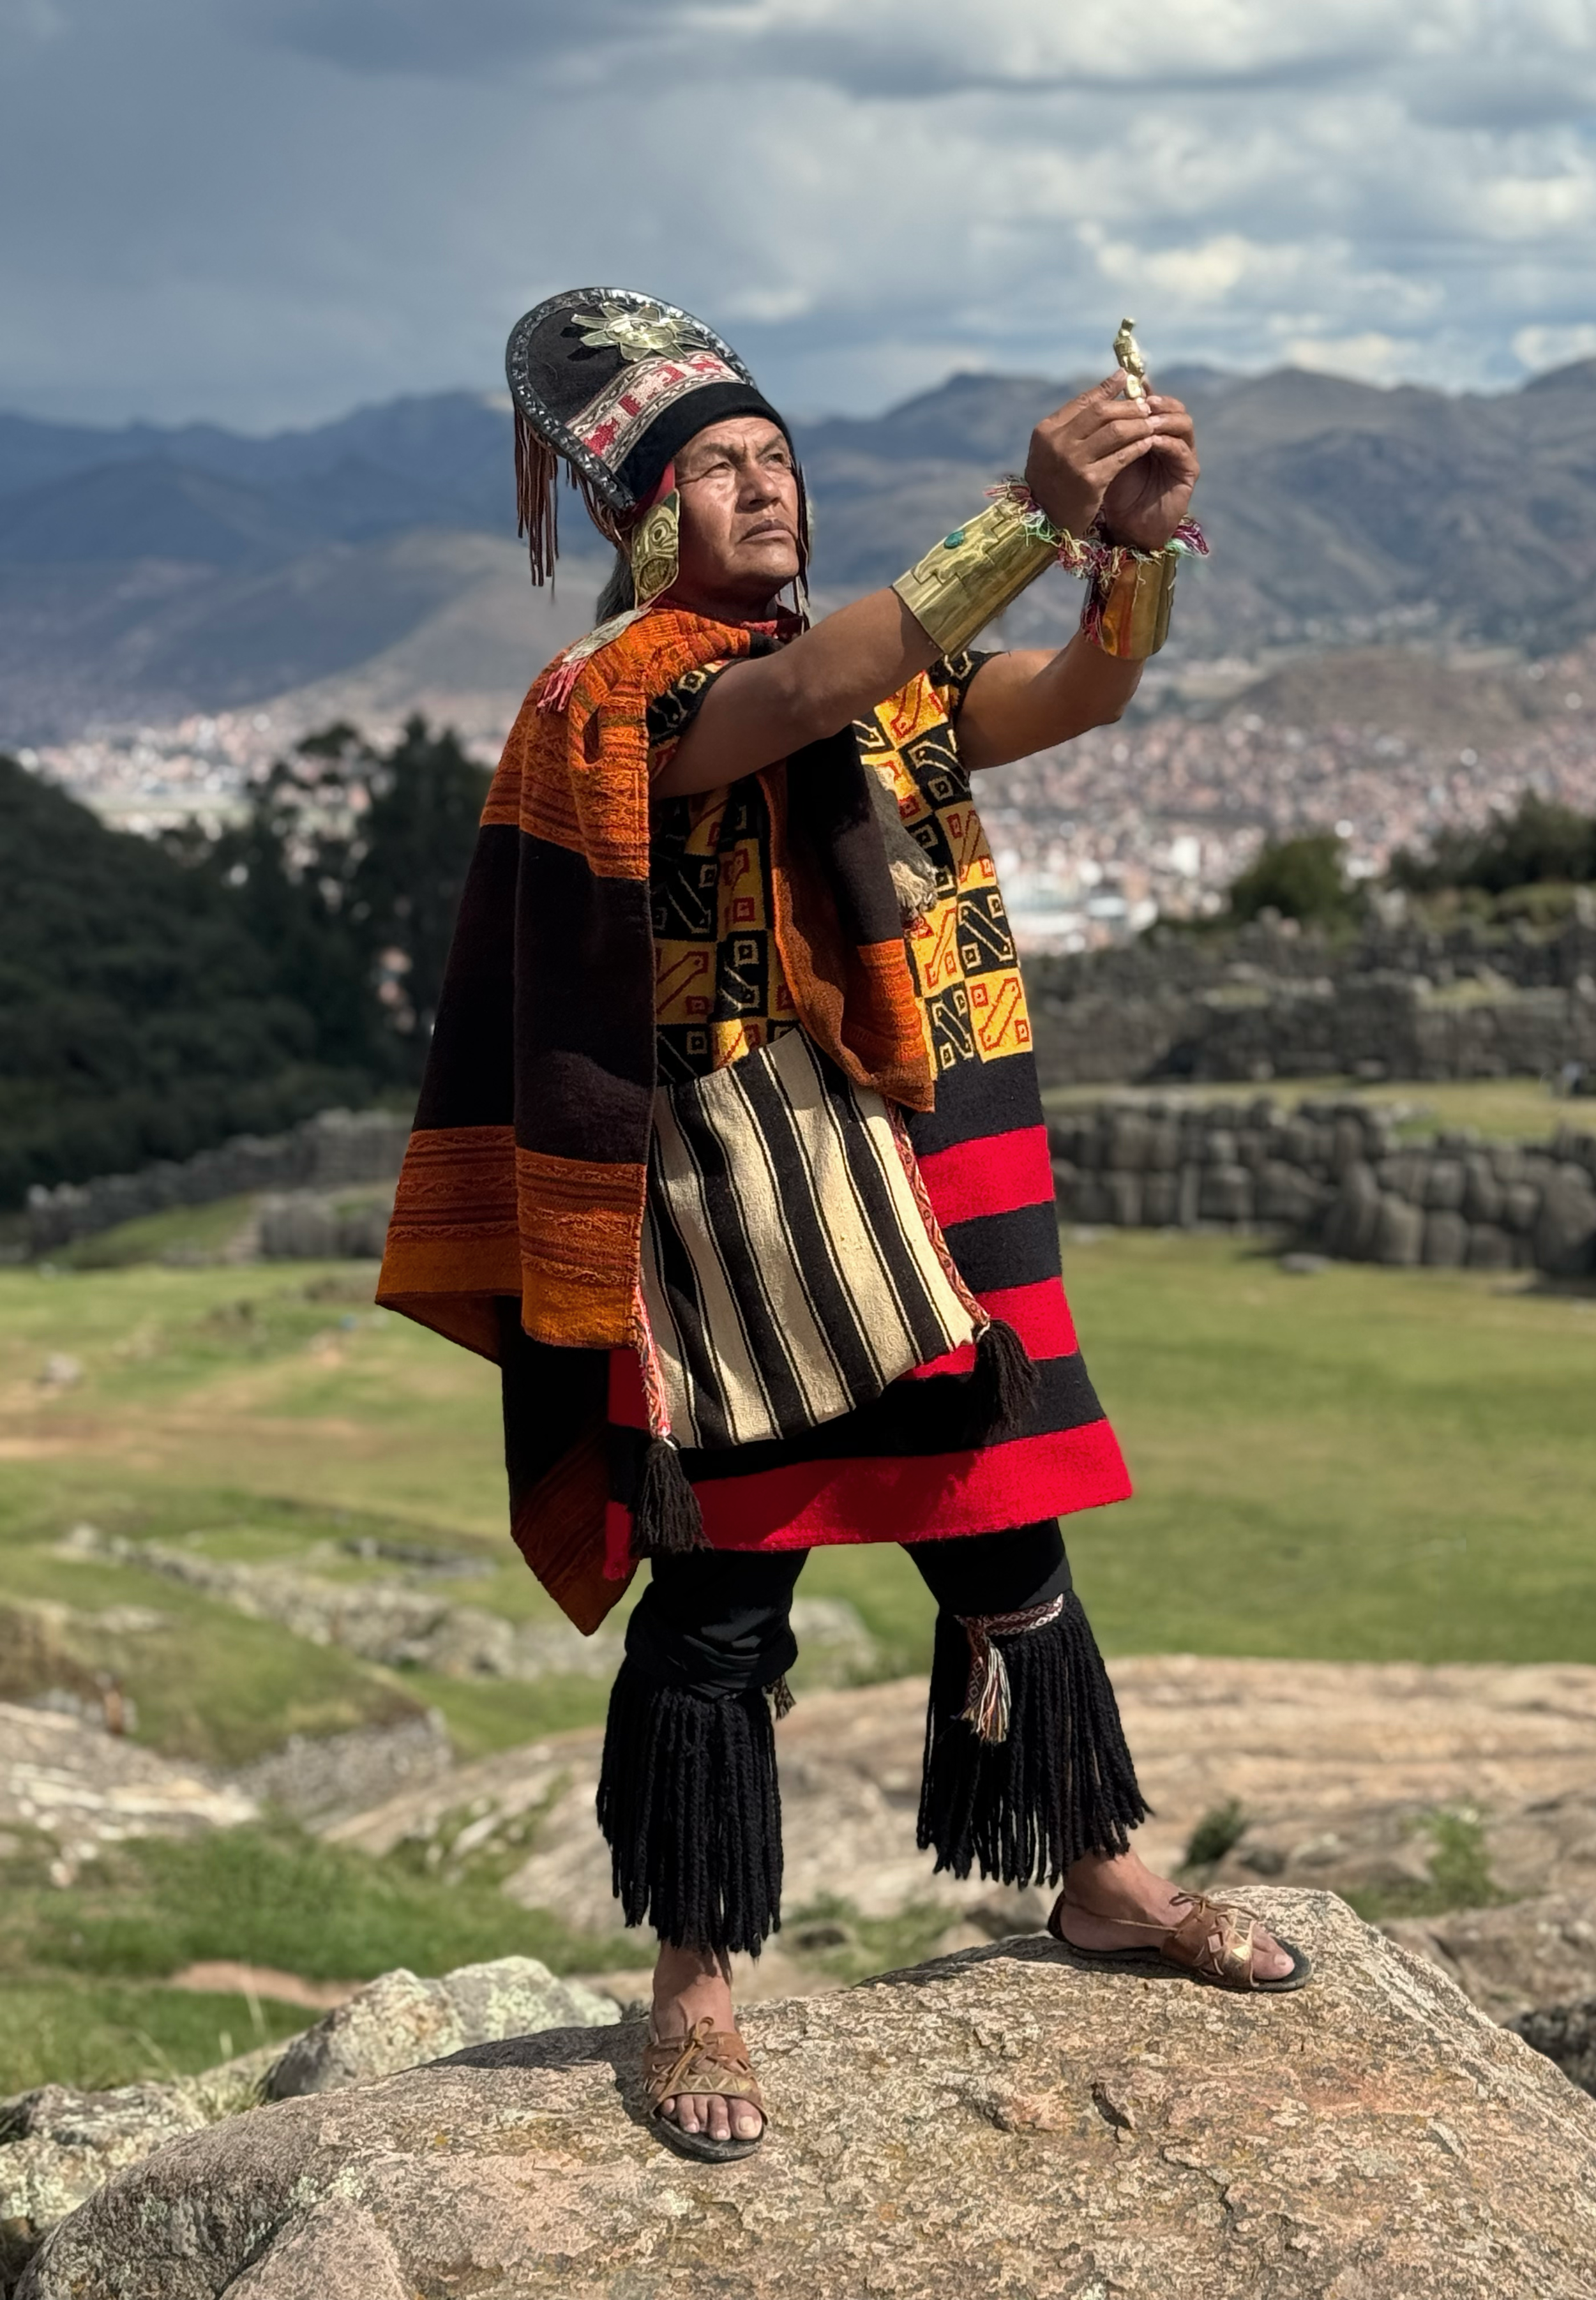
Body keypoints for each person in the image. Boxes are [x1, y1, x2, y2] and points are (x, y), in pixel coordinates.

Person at [377, 288, 1309, 2167]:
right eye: (717, 466)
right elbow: (796, 703)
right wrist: (1022, 520)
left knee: (1003, 1533)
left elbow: (1078, 691)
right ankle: (694, 1975)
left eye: (775, 457)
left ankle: (1102, 1876)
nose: (762, 485)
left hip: (944, 1150)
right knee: (728, 1589)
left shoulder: (878, 662)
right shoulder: (633, 696)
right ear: (647, 522)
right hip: (753, 1196)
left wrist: (1123, 557)